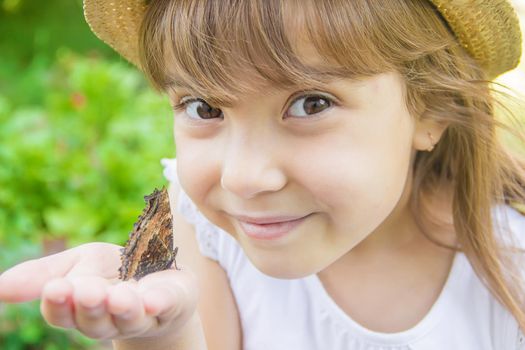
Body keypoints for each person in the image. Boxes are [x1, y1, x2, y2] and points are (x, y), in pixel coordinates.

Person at [1, 0, 525, 348]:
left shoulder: (512, 266)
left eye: (311, 103)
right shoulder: (210, 236)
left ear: (430, 108)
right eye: (205, 108)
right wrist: (163, 331)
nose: (244, 178)